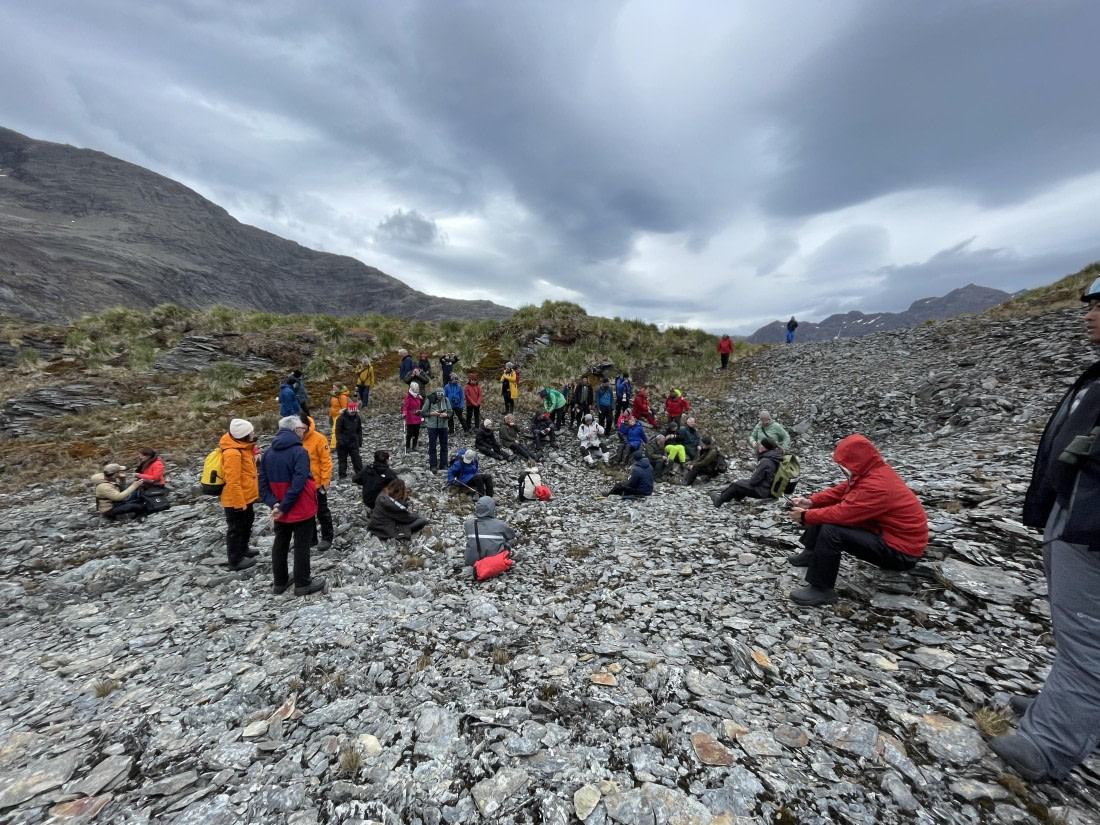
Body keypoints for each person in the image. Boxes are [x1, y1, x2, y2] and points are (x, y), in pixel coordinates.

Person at [988, 278, 1100, 783]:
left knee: (1086, 634)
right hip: (1074, 515)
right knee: (1077, 631)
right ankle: (1065, 706)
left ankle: (1050, 746)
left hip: (1090, 527)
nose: (1089, 314)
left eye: (1098, 306)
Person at [785, 434, 927, 607]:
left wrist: (805, 516)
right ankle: (811, 554)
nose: (842, 467)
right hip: (888, 535)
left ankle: (822, 589)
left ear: (856, 460)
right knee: (823, 513)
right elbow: (844, 490)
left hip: (901, 552)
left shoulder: (877, 486)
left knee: (832, 528)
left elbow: (841, 514)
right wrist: (812, 501)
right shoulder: (872, 471)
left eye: (844, 463)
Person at [259, 416, 325, 597]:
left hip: (279, 508)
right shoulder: (299, 452)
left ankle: (280, 583)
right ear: (296, 430)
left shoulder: (268, 453)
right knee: (301, 545)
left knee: (280, 543)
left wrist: (275, 504)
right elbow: (299, 482)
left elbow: (262, 484)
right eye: (302, 430)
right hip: (300, 507)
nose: (304, 432)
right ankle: (302, 584)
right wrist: (285, 506)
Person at [218, 419, 260, 569]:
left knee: (247, 522)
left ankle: (243, 549)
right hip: (235, 499)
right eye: (251, 432)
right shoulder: (232, 453)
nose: (253, 434)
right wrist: (238, 503)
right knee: (236, 528)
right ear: (244, 435)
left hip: (246, 496)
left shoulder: (243, 447)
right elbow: (233, 481)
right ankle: (235, 560)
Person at [711, 438, 782, 506]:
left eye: (761, 445)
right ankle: (737, 499)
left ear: (765, 447)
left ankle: (720, 500)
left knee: (736, 485)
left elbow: (754, 481)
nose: (759, 446)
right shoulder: (775, 457)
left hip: (763, 491)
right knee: (742, 482)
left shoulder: (766, 461)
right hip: (771, 489)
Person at [301, 416, 333, 552]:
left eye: (302, 428)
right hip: (301, 484)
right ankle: (311, 538)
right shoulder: (293, 438)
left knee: (322, 511)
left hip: (317, 483)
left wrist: (326, 481)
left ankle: (327, 537)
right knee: (306, 514)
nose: (300, 431)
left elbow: (326, 461)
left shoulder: (319, 438)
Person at [464, 496, 517, 566]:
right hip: (493, 562)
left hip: (471, 561)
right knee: (507, 541)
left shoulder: (468, 524)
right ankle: (503, 560)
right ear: (492, 509)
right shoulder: (500, 524)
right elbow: (512, 535)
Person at [420, 388, 452, 472]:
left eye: (442, 396)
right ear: (436, 394)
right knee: (432, 446)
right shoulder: (429, 400)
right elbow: (423, 412)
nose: (440, 398)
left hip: (443, 426)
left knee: (444, 446)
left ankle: (444, 464)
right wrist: (432, 414)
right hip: (432, 427)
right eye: (439, 397)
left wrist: (446, 415)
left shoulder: (446, 400)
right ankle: (433, 465)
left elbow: (450, 411)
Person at [334, 401, 363, 480]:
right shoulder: (341, 418)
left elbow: (359, 430)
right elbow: (338, 431)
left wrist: (360, 440)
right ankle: (342, 475)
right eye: (352, 412)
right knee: (342, 460)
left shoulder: (357, 417)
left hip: (354, 442)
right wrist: (340, 441)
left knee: (356, 458)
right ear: (348, 410)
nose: (353, 413)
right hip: (343, 443)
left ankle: (360, 474)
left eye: (355, 412)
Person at [403, 382, 424, 452]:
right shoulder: (408, 396)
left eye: (418, 387)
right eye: (417, 387)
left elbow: (421, 405)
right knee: (410, 432)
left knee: (416, 432)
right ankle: (408, 446)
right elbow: (405, 406)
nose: (418, 389)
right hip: (410, 416)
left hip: (417, 415)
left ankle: (415, 445)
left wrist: (421, 399)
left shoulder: (418, 395)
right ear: (413, 388)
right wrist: (404, 413)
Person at [328, 382, 350, 448]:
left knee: (335, 430)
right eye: (333, 387)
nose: (333, 388)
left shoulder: (343, 397)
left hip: (339, 415)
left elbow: (344, 408)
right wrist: (330, 415)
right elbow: (331, 406)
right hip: (333, 415)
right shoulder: (333, 395)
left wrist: (342, 417)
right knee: (338, 430)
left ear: (339, 388)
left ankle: (333, 446)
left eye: (334, 387)